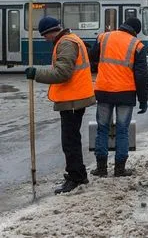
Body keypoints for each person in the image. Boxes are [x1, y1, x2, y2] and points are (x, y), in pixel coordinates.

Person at [25, 16, 95, 194]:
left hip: (73, 99)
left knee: (70, 141)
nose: (46, 39)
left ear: (51, 32)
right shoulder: (69, 40)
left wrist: (36, 74)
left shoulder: (65, 43)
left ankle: (76, 177)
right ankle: (77, 173)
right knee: (71, 140)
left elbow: (62, 73)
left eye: (45, 35)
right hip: (73, 98)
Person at [89, 17, 148, 177]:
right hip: (125, 93)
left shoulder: (103, 37)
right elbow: (141, 75)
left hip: (103, 90)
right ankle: (119, 168)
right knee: (122, 130)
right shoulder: (137, 45)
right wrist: (143, 100)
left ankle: (101, 168)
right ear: (136, 31)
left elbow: (92, 57)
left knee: (102, 129)